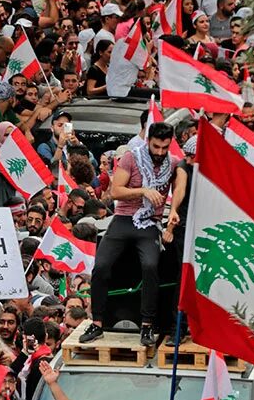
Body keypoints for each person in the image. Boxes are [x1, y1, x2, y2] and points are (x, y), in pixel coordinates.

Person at [79, 122, 188, 347]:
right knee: (101, 266)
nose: (159, 152)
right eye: (156, 147)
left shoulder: (173, 163)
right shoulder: (132, 157)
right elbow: (114, 191)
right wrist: (144, 191)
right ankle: (97, 323)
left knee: (150, 266)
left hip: (150, 222)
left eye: (164, 148)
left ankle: (147, 324)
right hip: (124, 218)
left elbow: (179, 188)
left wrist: (174, 210)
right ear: (148, 141)